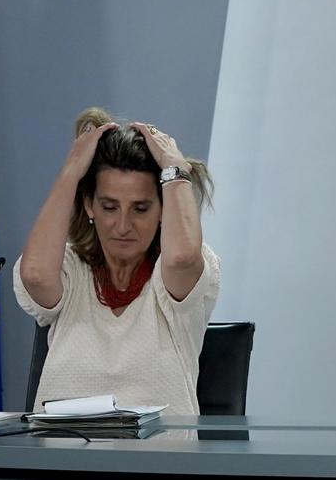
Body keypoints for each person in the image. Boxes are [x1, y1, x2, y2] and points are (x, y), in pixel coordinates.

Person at [15, 108, 219, 416]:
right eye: (109, 207)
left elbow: (181, 258)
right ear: (89, 205)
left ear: (163, 210)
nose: (123, 226)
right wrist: (71, 172)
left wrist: (175, 169)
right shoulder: (69, 270)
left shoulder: (176, 278)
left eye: (140, 209)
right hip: (64, 459)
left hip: (156, 461)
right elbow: (35, 277)